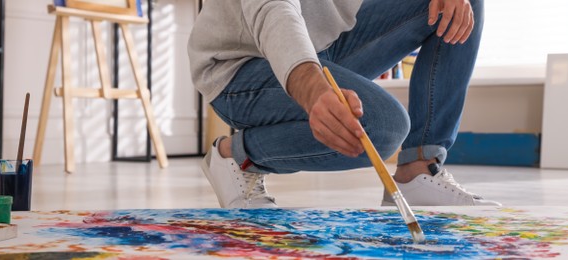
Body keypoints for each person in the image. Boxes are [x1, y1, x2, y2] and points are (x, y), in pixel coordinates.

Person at [188, 0, 500, 208]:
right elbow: (274, 10)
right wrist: (312, 89)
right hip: (240, 66)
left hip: (327, 42)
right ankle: (236, 156)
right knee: (383, 127)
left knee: (459, 3)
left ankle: (419, 171)